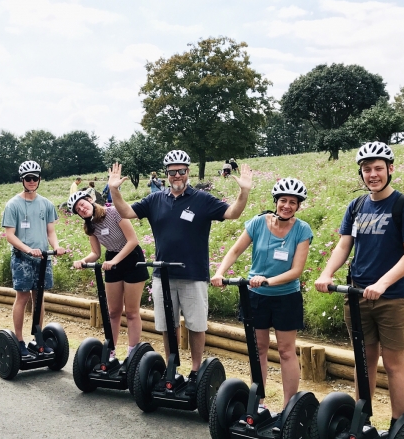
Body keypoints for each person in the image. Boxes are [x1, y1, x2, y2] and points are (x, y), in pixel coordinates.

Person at [108, 149, 253, 395]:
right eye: (172, 171)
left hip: (193, 274)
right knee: (168, 325)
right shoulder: (155, 200)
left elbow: (233, 214)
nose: (177, 175)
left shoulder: (201, 199)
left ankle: (196, 371)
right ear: (167, 173)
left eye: (181, 171)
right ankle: (172, 367)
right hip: (162, 275)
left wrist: (244, 192)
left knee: (196, 325)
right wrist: (114, 190)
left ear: (188, 172)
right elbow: (126, 212)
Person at [314, 141, 404, 433]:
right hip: (357, 295)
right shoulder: (356, 206)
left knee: (394, 364)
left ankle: (398, 428)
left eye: (378, 168)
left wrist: (382, 283)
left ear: (390, 169)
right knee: (364, 362)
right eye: (366, 170)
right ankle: (361, 422)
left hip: (393, 298)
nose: (372, 174)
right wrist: (326, 273)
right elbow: (343, 245)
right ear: (361, 174)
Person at [211, 178, 312, 420]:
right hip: (256, 297)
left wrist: (268, 280)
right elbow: (235, 250)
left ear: (298, 206)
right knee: (259, 350)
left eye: (293, 202)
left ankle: (289, 407)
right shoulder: (257, 223)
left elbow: (296, 270)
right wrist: (219, 272)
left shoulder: (302, 230)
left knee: (287, 351)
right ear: (275, 202)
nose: (287, 206)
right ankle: (259, 401)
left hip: (286, 297)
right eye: (283, 201)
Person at [68, 190, 149, 358]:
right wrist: (83, 261)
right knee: (113, 311)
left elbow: (133, 240)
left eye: (82, 204)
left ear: (90, 200)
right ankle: (110, 351)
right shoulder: (90, 226)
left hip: (132, 257)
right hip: (111, 260)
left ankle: (132, 353)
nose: (81, 209)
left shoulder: (114, 212)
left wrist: (115, 261)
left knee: (132, 312)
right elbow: (95, 253)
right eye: (78, 209)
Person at [2, 160, 66, 357]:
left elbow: (50, 231)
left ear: (39, 179)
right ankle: (19, 341)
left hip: (43, 257)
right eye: (28, 178)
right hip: (22, 257)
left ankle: (37, 338)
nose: (31, 181)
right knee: (22, 297)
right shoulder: (13, 204)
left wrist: (56, 246)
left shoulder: (46, 204)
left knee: (39, 298)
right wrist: (28, 250)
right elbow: (9, 235)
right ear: (22, 180)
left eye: (35, 178)